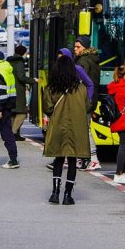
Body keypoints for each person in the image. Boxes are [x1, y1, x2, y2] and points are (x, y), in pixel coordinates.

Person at [43, 54, 91, 204]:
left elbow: (48, 108)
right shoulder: (81, 88)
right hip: (76, 129)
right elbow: (87, 107)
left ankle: (55, 193)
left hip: (58, 127)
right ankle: (68, 195)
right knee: (72, 161)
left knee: (58, 159)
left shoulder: (51, 88)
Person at [45, 48, 94, 171]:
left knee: (64, 149)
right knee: (70, 147)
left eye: (61, 56)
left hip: (69, 113)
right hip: (74, 111)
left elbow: (90, 84)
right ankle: (68, 188)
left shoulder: (76, 71)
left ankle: (57, 189)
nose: (59, 59)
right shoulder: (77, 86)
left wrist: (88, 98)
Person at [74, 35, 101, 170]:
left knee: (84, 129)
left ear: (84, 48)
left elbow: (79, 82)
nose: (75, 49)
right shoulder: (93, 60)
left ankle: (93, 159)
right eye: (75, 46)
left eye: (78, 47)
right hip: (91, 99)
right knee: (83, 128)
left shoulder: (83, 62)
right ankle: (80, 159)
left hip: (83, 100)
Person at [108, 65, 125, 184]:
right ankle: (119, 173)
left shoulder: (114, 86)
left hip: (118, 120)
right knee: (124, 146)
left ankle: (123, 172)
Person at [8, 44, 37, 141]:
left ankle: (16, 134)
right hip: (18, 90)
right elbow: (21, 77)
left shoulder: (10, 61)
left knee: (13, 113)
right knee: (22, 112)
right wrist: (33, 80)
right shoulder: (19, 62)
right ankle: (13, 132)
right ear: (23, 53)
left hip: (10, 90)